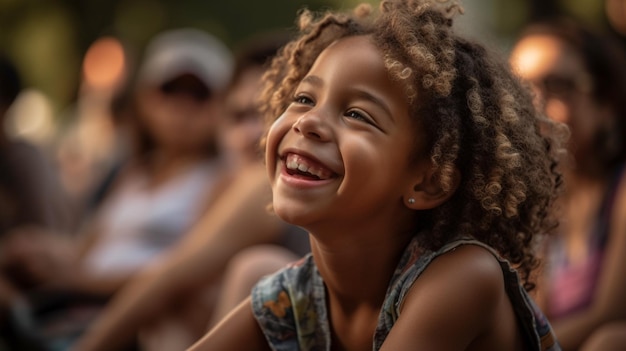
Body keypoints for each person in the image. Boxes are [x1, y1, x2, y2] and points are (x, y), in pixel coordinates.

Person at [189, 0, 567, 350]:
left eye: (357, 115)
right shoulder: (293, 298)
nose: (308, 122)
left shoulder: (464, 276)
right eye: (304, 98)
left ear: (428, 182)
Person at [72, 32, 309, 351]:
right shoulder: (130, 172)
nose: (251, 132)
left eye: (271, 113)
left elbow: (169, 279)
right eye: (239, 116)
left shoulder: (257, 184)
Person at [0, 28, 234, 350]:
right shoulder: (132, 172)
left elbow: (183, 275)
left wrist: (75, 282)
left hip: (132, 319)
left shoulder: (221, 180)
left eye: (198, 94)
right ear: (145, 99)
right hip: (78, 300)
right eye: (170, 90)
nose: (181, 107)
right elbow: (86, 249)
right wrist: (39, 251)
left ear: (221, 105)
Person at [509, 18, 626, 351]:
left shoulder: (621, 192)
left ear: (605, 105)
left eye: (556, 85)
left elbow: (610, 314)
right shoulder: (540, 202)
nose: (534, 105)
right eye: (520, 87)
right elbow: (534, 314)